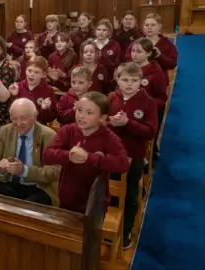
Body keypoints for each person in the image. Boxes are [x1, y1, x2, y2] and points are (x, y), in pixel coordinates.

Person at [42, 91, 129, 213]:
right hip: (65, 198)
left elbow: (123, 163)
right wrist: (68, 156)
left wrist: (90, 158)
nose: (81, 116)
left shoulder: (109, 137)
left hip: (95, 202)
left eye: (89, 113)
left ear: (102, 118)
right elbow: (47, 156)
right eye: (79, 110)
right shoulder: (68, 130)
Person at [108, 62, 158, 249]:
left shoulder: (148, 102)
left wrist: (128, 123)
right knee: (110, 189)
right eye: (125, 79)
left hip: (133, 156)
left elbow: (151, 131)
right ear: (118, 80)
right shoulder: (112, 97)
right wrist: (110, 123)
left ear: (140, 82)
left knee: (129, 194)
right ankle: (110, 223)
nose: (129, 84)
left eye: (134, 80)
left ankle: (126, 230)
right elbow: (103, 121)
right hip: (111, 154)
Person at [0, 98, 60, 206]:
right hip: (10, 183)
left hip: (38, 186)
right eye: (14, 119)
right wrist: (1, 168)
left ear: (34, 117)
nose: (19, 123)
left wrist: (25, 171)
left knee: (27, 209)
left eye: (24, 118)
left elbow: (55, 171)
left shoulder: (48, 135)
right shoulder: (6, 131)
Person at [9, 56, 57, 125]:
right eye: (30, 71)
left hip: (38, 129)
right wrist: (14, 96)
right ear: (25, 70)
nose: (32, 75)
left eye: (36, 72)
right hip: (17, 126)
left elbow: (51, 118)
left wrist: (45, 110)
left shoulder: (48, 90)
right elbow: (10, 113)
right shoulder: (17, 86)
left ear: (43, 74)